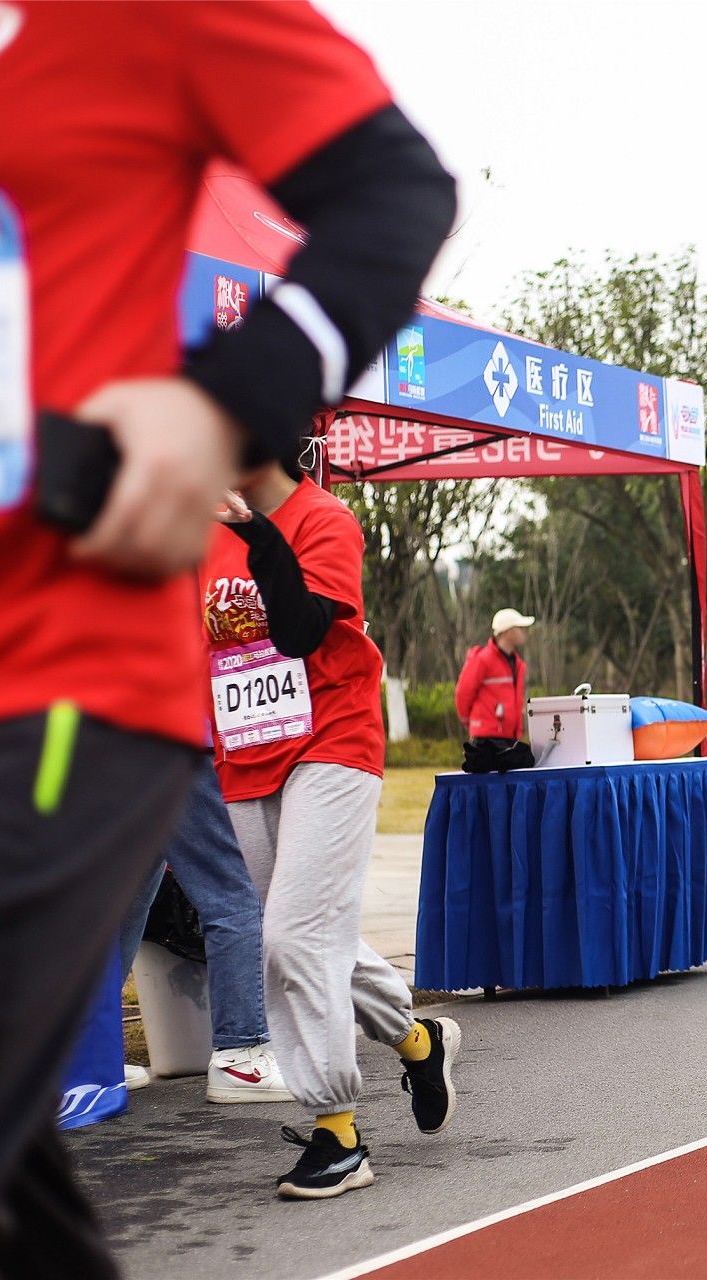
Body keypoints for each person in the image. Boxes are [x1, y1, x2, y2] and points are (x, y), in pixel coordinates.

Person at [0, 2, 454, 1271]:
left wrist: (220, 408)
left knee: (281, 939)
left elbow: (395, 190)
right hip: (46, 709)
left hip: (58, 673)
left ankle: (336, 1112)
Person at [207, 456, 460, 1200]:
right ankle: (420, 1040)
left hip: (332, 744)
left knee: (290, 937)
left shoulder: (325, 520)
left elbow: (300, 629)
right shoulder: (197, 533)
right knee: (315, 936)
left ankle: (338, 1132)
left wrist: (260, 537)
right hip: (246, 756)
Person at [114, 751, 293, 1104]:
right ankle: (242, 1056)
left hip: (118, 738)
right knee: (234, 891)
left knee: (125, 897)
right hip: (180, 738)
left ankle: (86, 1056)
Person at [456, 608, 535, 740]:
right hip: (485, 739)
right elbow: (463, 693)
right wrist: (471, 723)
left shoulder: (518, 664)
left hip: (509, 737)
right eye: (520, 628)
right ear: (507, 632)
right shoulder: (482, 659)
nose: (524, 632)